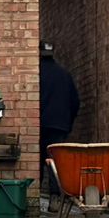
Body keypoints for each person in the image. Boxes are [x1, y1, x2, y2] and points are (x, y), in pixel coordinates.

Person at [39, 43, 80, 209]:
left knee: (36, 161)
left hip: (39, 124)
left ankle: (31, 198)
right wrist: (67, 124)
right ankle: (55, 199)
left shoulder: (36, 73)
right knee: (54, 162)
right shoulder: (64, 75)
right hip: (59, 126)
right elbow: (75, 102)